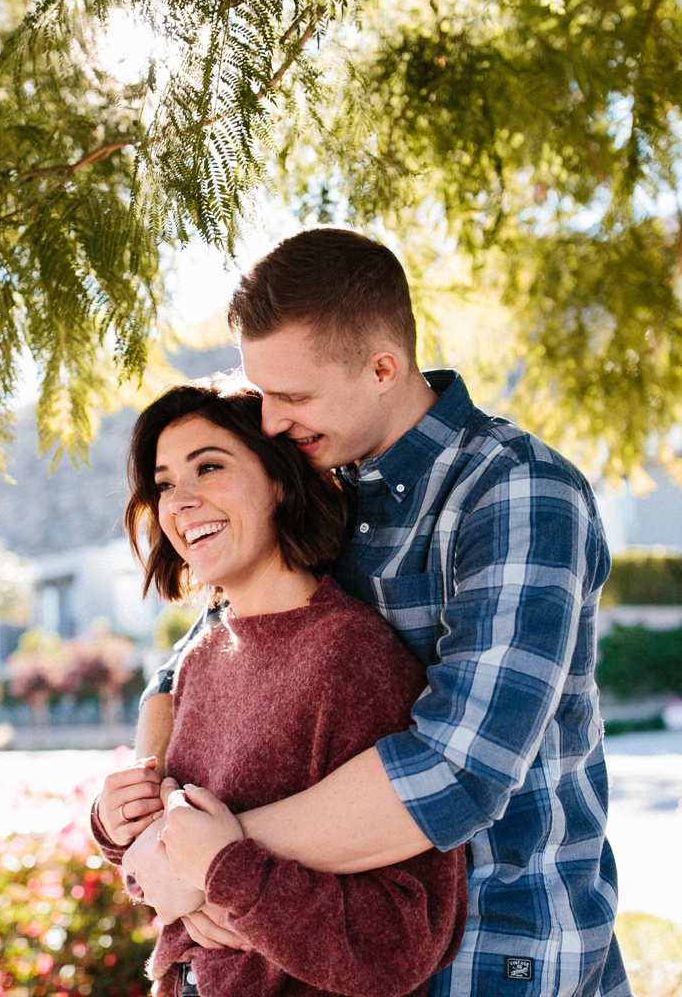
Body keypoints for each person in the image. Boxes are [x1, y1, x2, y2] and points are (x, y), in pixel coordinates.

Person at [141, 228, 631, 997]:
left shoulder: (515, 493)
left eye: (294, 396)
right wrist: (147, 808)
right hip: (350, 956)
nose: (269, 421)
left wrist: (210, 858)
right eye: (261, 390)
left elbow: (454, 771)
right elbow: (197, 662)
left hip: (503, 950)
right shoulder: (325, 489)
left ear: (382, 368)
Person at [89, 380, 466, 997]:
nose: (180, 502)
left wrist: (225, 873)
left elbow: (401, 940)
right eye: (163, 484)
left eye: (208, 466)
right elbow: (170, 855)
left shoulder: (349, 658)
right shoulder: (201, 657)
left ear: (281, 479)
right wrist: (118, 820)